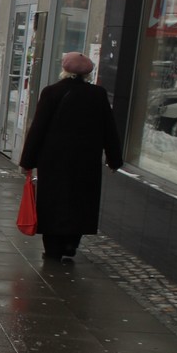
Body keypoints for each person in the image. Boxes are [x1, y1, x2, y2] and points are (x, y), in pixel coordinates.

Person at [19, 52, 124, 262]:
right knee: (80, 202)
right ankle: (71, 244)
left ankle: (53, 250)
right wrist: (114, 159)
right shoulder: (98, 94)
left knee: (54, 202)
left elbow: (38, 128)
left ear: (64, 69)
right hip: (85, 161)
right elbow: (109, 130)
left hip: (54, 161)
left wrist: (27, 161)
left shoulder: (52, 92)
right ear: (87, 73)